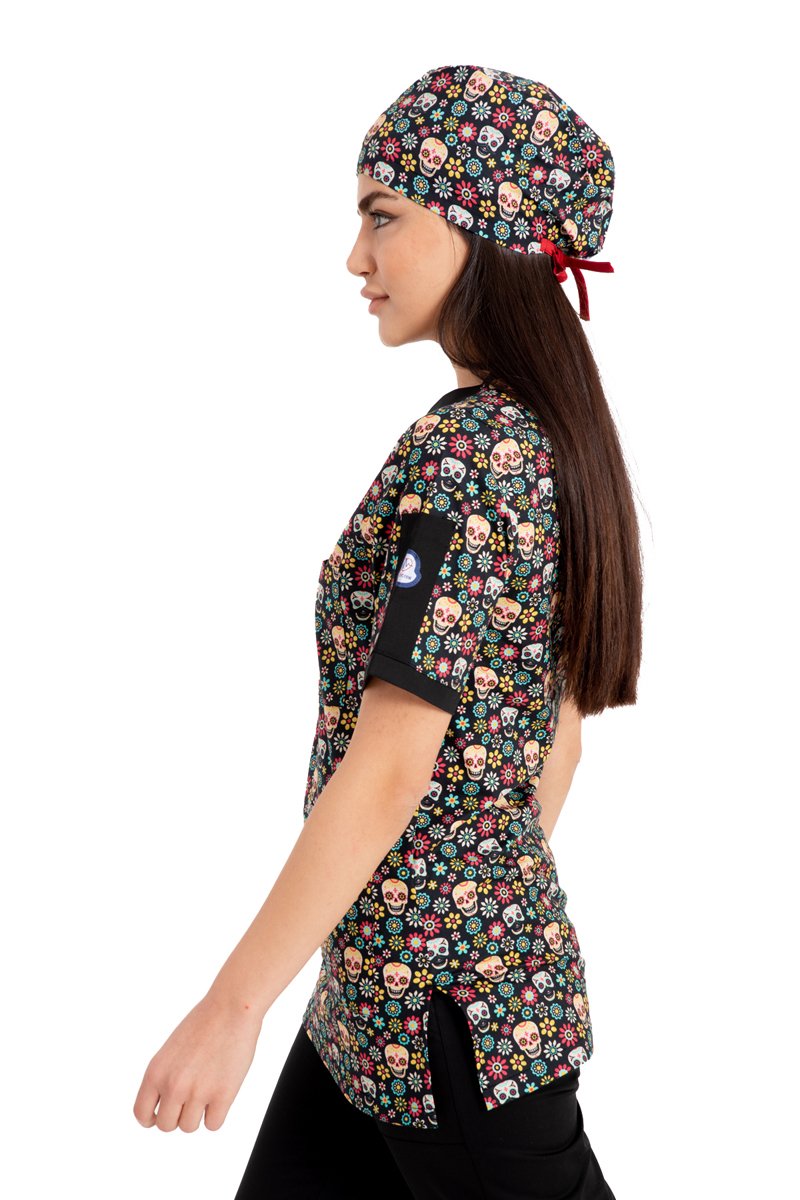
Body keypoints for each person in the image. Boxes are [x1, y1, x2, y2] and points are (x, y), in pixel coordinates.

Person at [133, 63, 641, 1199]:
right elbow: (554, 746)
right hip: (384, 1001)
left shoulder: (469, 457)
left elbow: (394, 760)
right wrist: (454, 914)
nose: (355, 258)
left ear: (481, 225)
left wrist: (231, 1006)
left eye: (382, 216)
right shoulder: (535, 440)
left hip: (447, 1021)